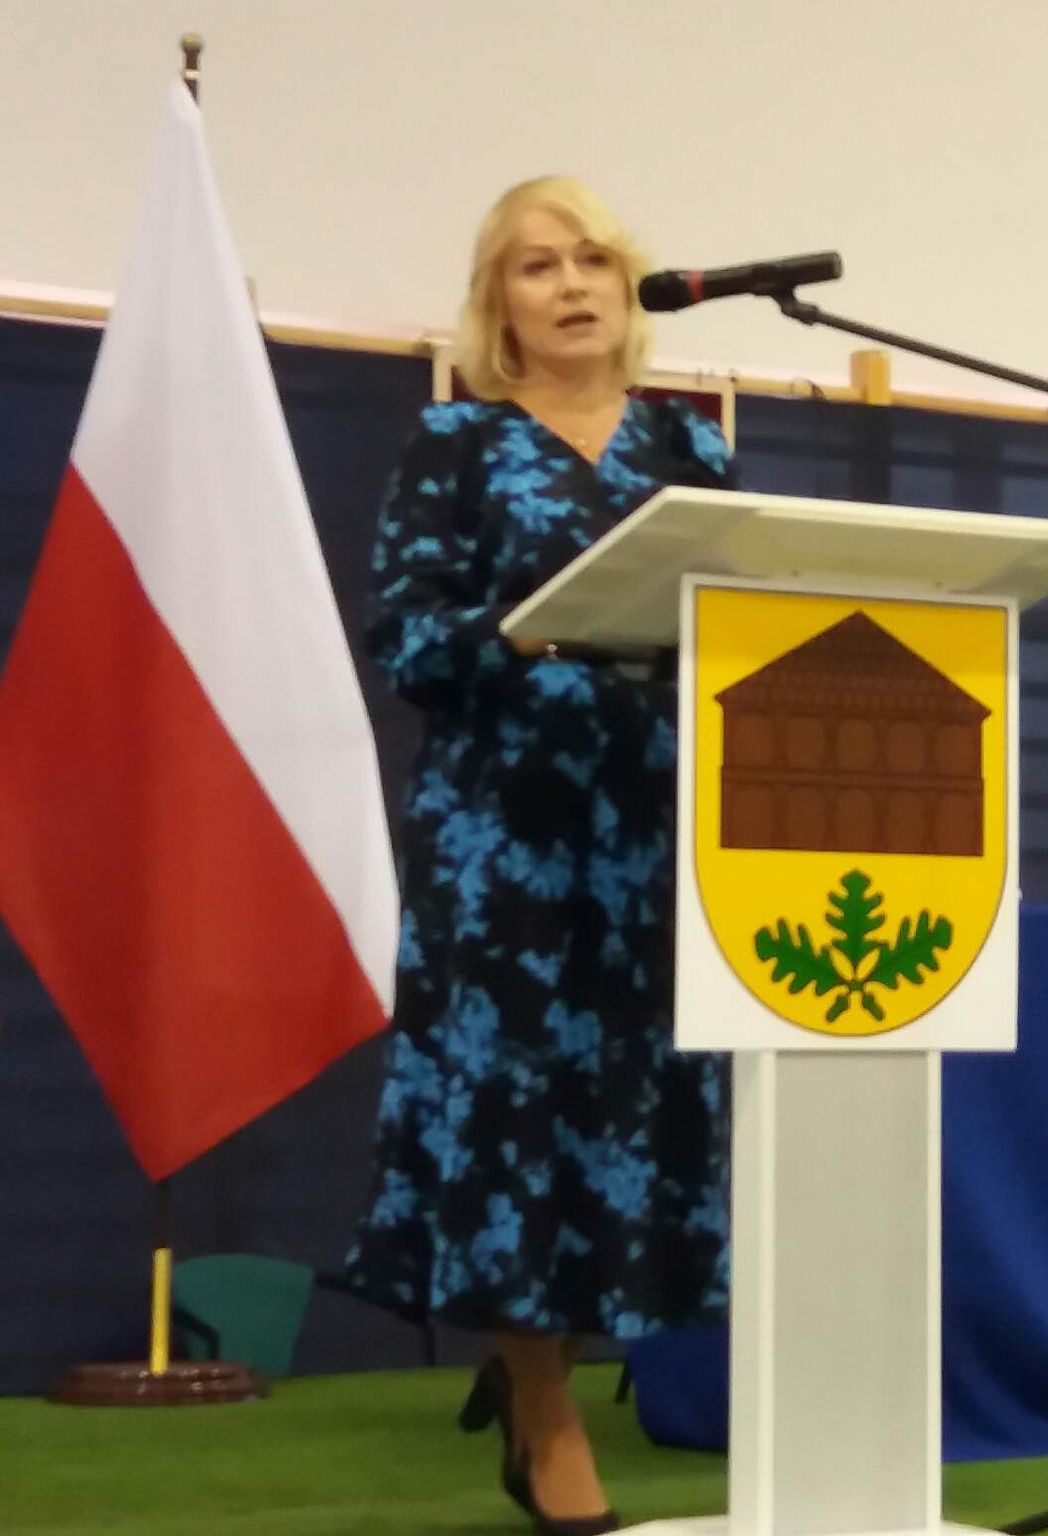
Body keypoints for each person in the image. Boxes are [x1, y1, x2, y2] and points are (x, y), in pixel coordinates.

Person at [342, 175, 733, 1536]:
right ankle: (546, 1419)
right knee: (516, 1122)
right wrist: (527, 629)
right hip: (504, 839)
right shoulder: (455, 445)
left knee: (631, 1122)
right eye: (536, 266)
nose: (571, 286)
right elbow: (406, 638)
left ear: (628, 289)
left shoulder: (691, 447)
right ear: (496, 304)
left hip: (654, 835)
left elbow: (747, 622)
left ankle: (545, 1366)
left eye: (593, 261)